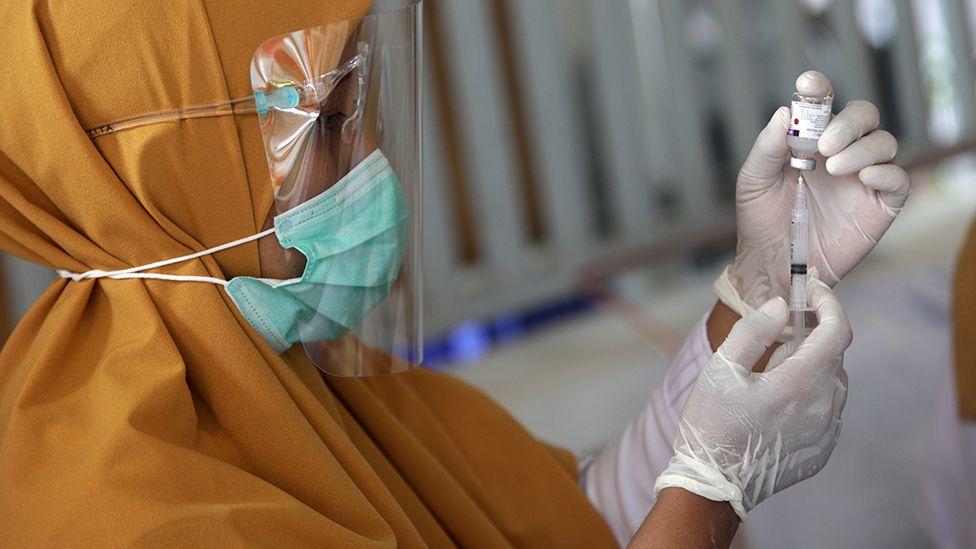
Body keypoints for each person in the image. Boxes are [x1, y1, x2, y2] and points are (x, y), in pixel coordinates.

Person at [0, 1, 908, 547]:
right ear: (169, 179)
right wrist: (709, 496)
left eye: (366, 101)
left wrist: (759, 287)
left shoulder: (295, 379)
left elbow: (570, 523)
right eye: (329, 120)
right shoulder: (120, 515)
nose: (374, 157)